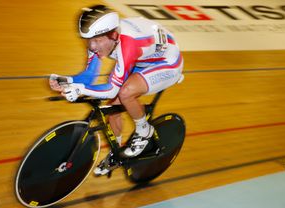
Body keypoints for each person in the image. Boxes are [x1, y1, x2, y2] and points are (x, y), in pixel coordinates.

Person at [49, 5, 184, 175]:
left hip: (167, 63)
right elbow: (89, 76)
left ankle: (144, 131)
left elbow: (112, 89)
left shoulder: (128, 44)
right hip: (143, 59)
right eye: (88, 40)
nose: (92, 46)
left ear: (113, 35)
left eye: (97, 40)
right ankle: (116, 153)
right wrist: (67, 80)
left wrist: (80, 88)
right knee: (112, 107)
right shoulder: (101, 37)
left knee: (125, 92)